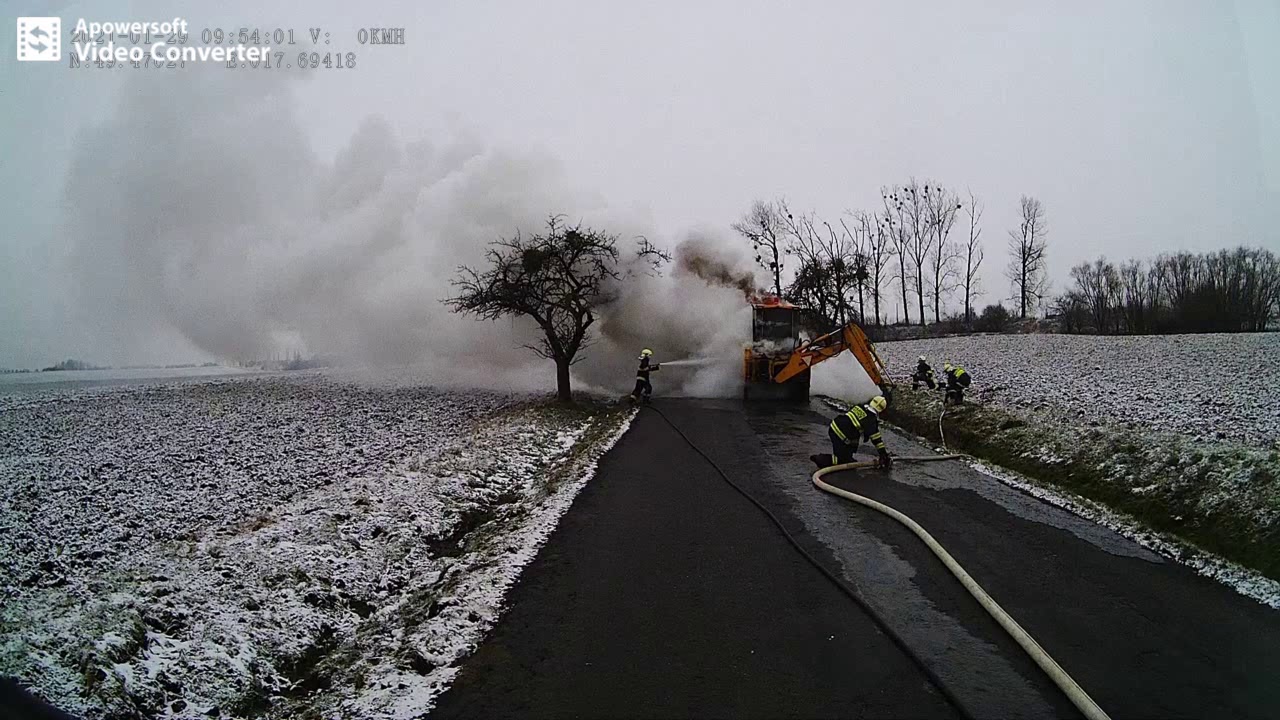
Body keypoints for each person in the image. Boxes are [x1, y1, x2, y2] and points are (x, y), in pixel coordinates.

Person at [810, 395, 893, 469]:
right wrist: (883, 454)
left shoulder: (860, 406)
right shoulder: (871, 420)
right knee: (843, 461)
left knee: (851, 446)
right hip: (840, 435)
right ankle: (821, 459)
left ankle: (846, 457)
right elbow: (877, 440)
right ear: (881, 410)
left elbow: (858, 423)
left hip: (834, 426)